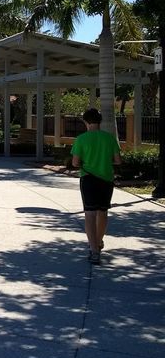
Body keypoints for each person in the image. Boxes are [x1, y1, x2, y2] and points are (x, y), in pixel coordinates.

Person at [70, 108, 121, 265]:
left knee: (90, 214)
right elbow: (118, 161)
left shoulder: (81, 139)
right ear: (100, 121)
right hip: (106, 179)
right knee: (103, 212)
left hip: (88, 179)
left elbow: (75, 163)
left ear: (86, 122)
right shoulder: (110, 138)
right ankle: (99, 242)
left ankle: (93, 250)